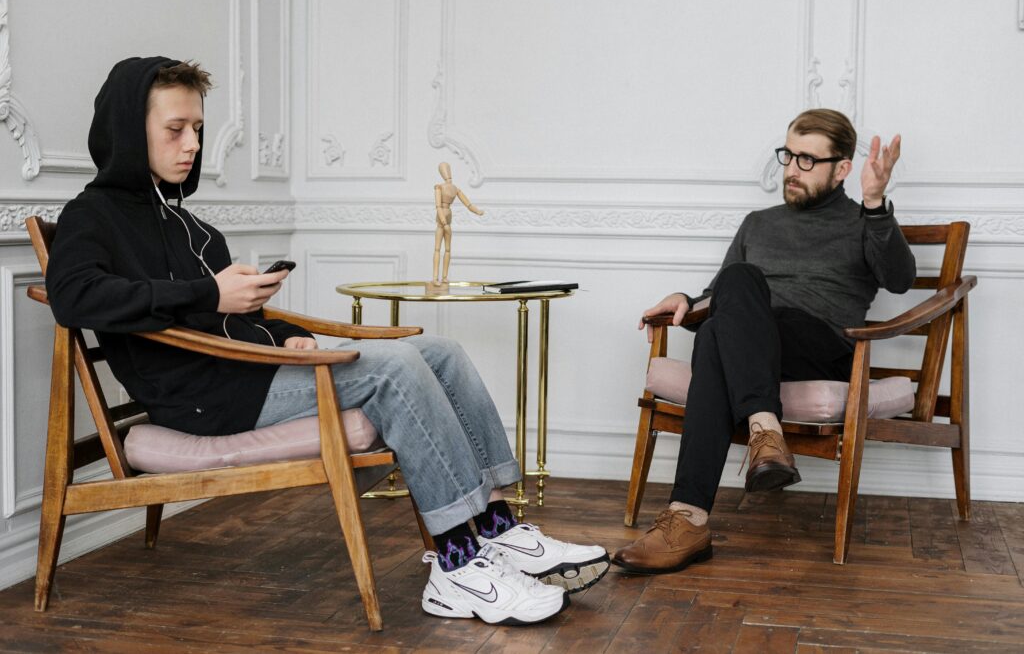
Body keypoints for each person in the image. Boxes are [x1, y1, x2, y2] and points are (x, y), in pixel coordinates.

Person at [45, 56, 608, 625]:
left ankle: (496, 527)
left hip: (247, 370)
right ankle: (457, 567)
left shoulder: (190, 226)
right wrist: (209, 295)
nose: (192, 143)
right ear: (126, 129)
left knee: (442, 352)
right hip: (206, 399)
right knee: (393, 367)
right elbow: (74, 297)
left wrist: (291, 336)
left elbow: (241, 321)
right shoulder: (91, 216)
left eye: (197, 128)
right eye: (175, 129)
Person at [612, 109, 916, 574]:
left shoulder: (862, 223)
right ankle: (752, 446)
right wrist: (687, 300)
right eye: (789, 155)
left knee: (728, 310)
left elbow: (900, 279)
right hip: (753, 347)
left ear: (842, 169)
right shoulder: (758, 223)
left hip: (821, 348)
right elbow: (723, 300)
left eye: (808, 160)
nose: (792, 169)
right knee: (727, 300)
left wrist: (875, 203)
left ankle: (689, 516)